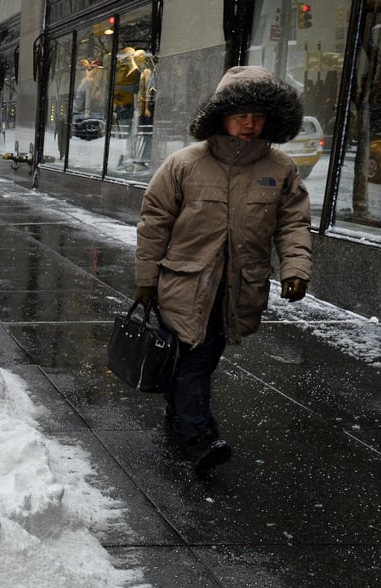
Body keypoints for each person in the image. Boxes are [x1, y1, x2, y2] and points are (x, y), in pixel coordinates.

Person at [134, 66, 312, 473]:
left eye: (258, 115)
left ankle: (180, 413)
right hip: (183, 283)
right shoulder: (185, 164)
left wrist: (295, 267)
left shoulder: (280, 168)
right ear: (220, 116)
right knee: (198, 358)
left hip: (237, 288)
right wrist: (146, 280)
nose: (249, 124)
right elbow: (154, 221)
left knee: (197, 359)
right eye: (240, 114)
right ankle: (201, 439)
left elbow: (293, 223)